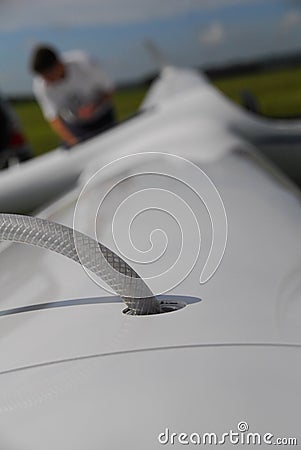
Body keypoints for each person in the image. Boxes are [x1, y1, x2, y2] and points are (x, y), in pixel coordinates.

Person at [30, 45, 116, 148]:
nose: (47, 82)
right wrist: (72, 141)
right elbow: (53, 117)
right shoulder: (41, 85)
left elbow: (108, 90)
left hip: (103, 117)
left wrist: (94, 107)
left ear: (59, 65)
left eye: (49, 76)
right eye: (43, 77)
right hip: (76, 127)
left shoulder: (84, 63)